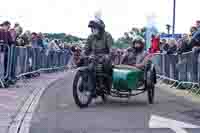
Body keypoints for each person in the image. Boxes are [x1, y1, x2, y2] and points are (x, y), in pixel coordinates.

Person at [80, 18, 114, 96]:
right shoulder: (90, 37)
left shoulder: (107, 35)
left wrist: (108, 55)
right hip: (93, 56)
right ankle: (84, 82)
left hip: (105, 56)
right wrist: (83, 55)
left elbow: (111, 49)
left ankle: (106, 85)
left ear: (100, 28)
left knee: (105, 67)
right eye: (92, 28)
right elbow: (86, 49)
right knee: (83, 63)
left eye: (95, 28)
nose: (93, 29)